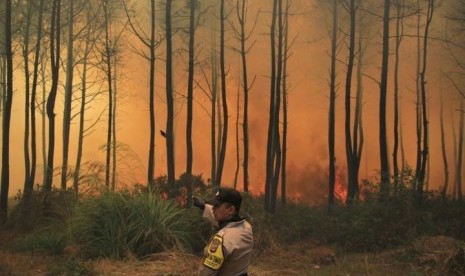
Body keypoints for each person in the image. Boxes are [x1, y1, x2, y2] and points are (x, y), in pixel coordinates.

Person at [193, 187, 253, 276]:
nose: (213, 209)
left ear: (231, 209)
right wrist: (203, 206)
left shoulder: (221, 240)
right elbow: (223, 220)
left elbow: (207, 273)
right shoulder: (246, 227)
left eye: (216, 206)